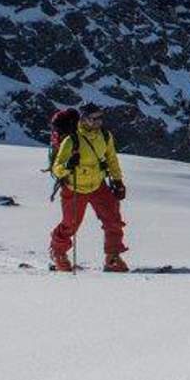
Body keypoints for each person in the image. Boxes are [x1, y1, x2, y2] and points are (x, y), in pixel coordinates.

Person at [49, 102, 129, 272]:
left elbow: (111, 159)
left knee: (113, 220)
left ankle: (112, 257)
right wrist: (68, 165)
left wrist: (118, 181)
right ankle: (58, 253)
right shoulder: (72, 140)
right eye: (94, 119)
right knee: (70, 224)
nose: (98, 122)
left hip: (98, 186)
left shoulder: (105, 136)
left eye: (100, 118)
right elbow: (57, 168)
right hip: (74, 187)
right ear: (84, 119)